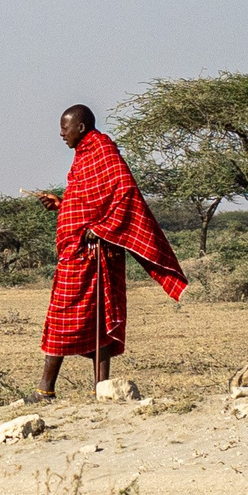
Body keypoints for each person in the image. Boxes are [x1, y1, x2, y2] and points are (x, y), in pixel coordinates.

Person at [34, 103, 187, 400]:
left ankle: (47, 390)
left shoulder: (103, 151)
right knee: (90, 317)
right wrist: (61, 204)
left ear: (80, 127)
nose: (61, 134)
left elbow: (124, 193)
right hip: (79, 251)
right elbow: (89, 202)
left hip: (95, 252)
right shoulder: (84, 155)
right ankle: (99, 389)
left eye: (65, 128)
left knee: (73, 316)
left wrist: (103, 227)